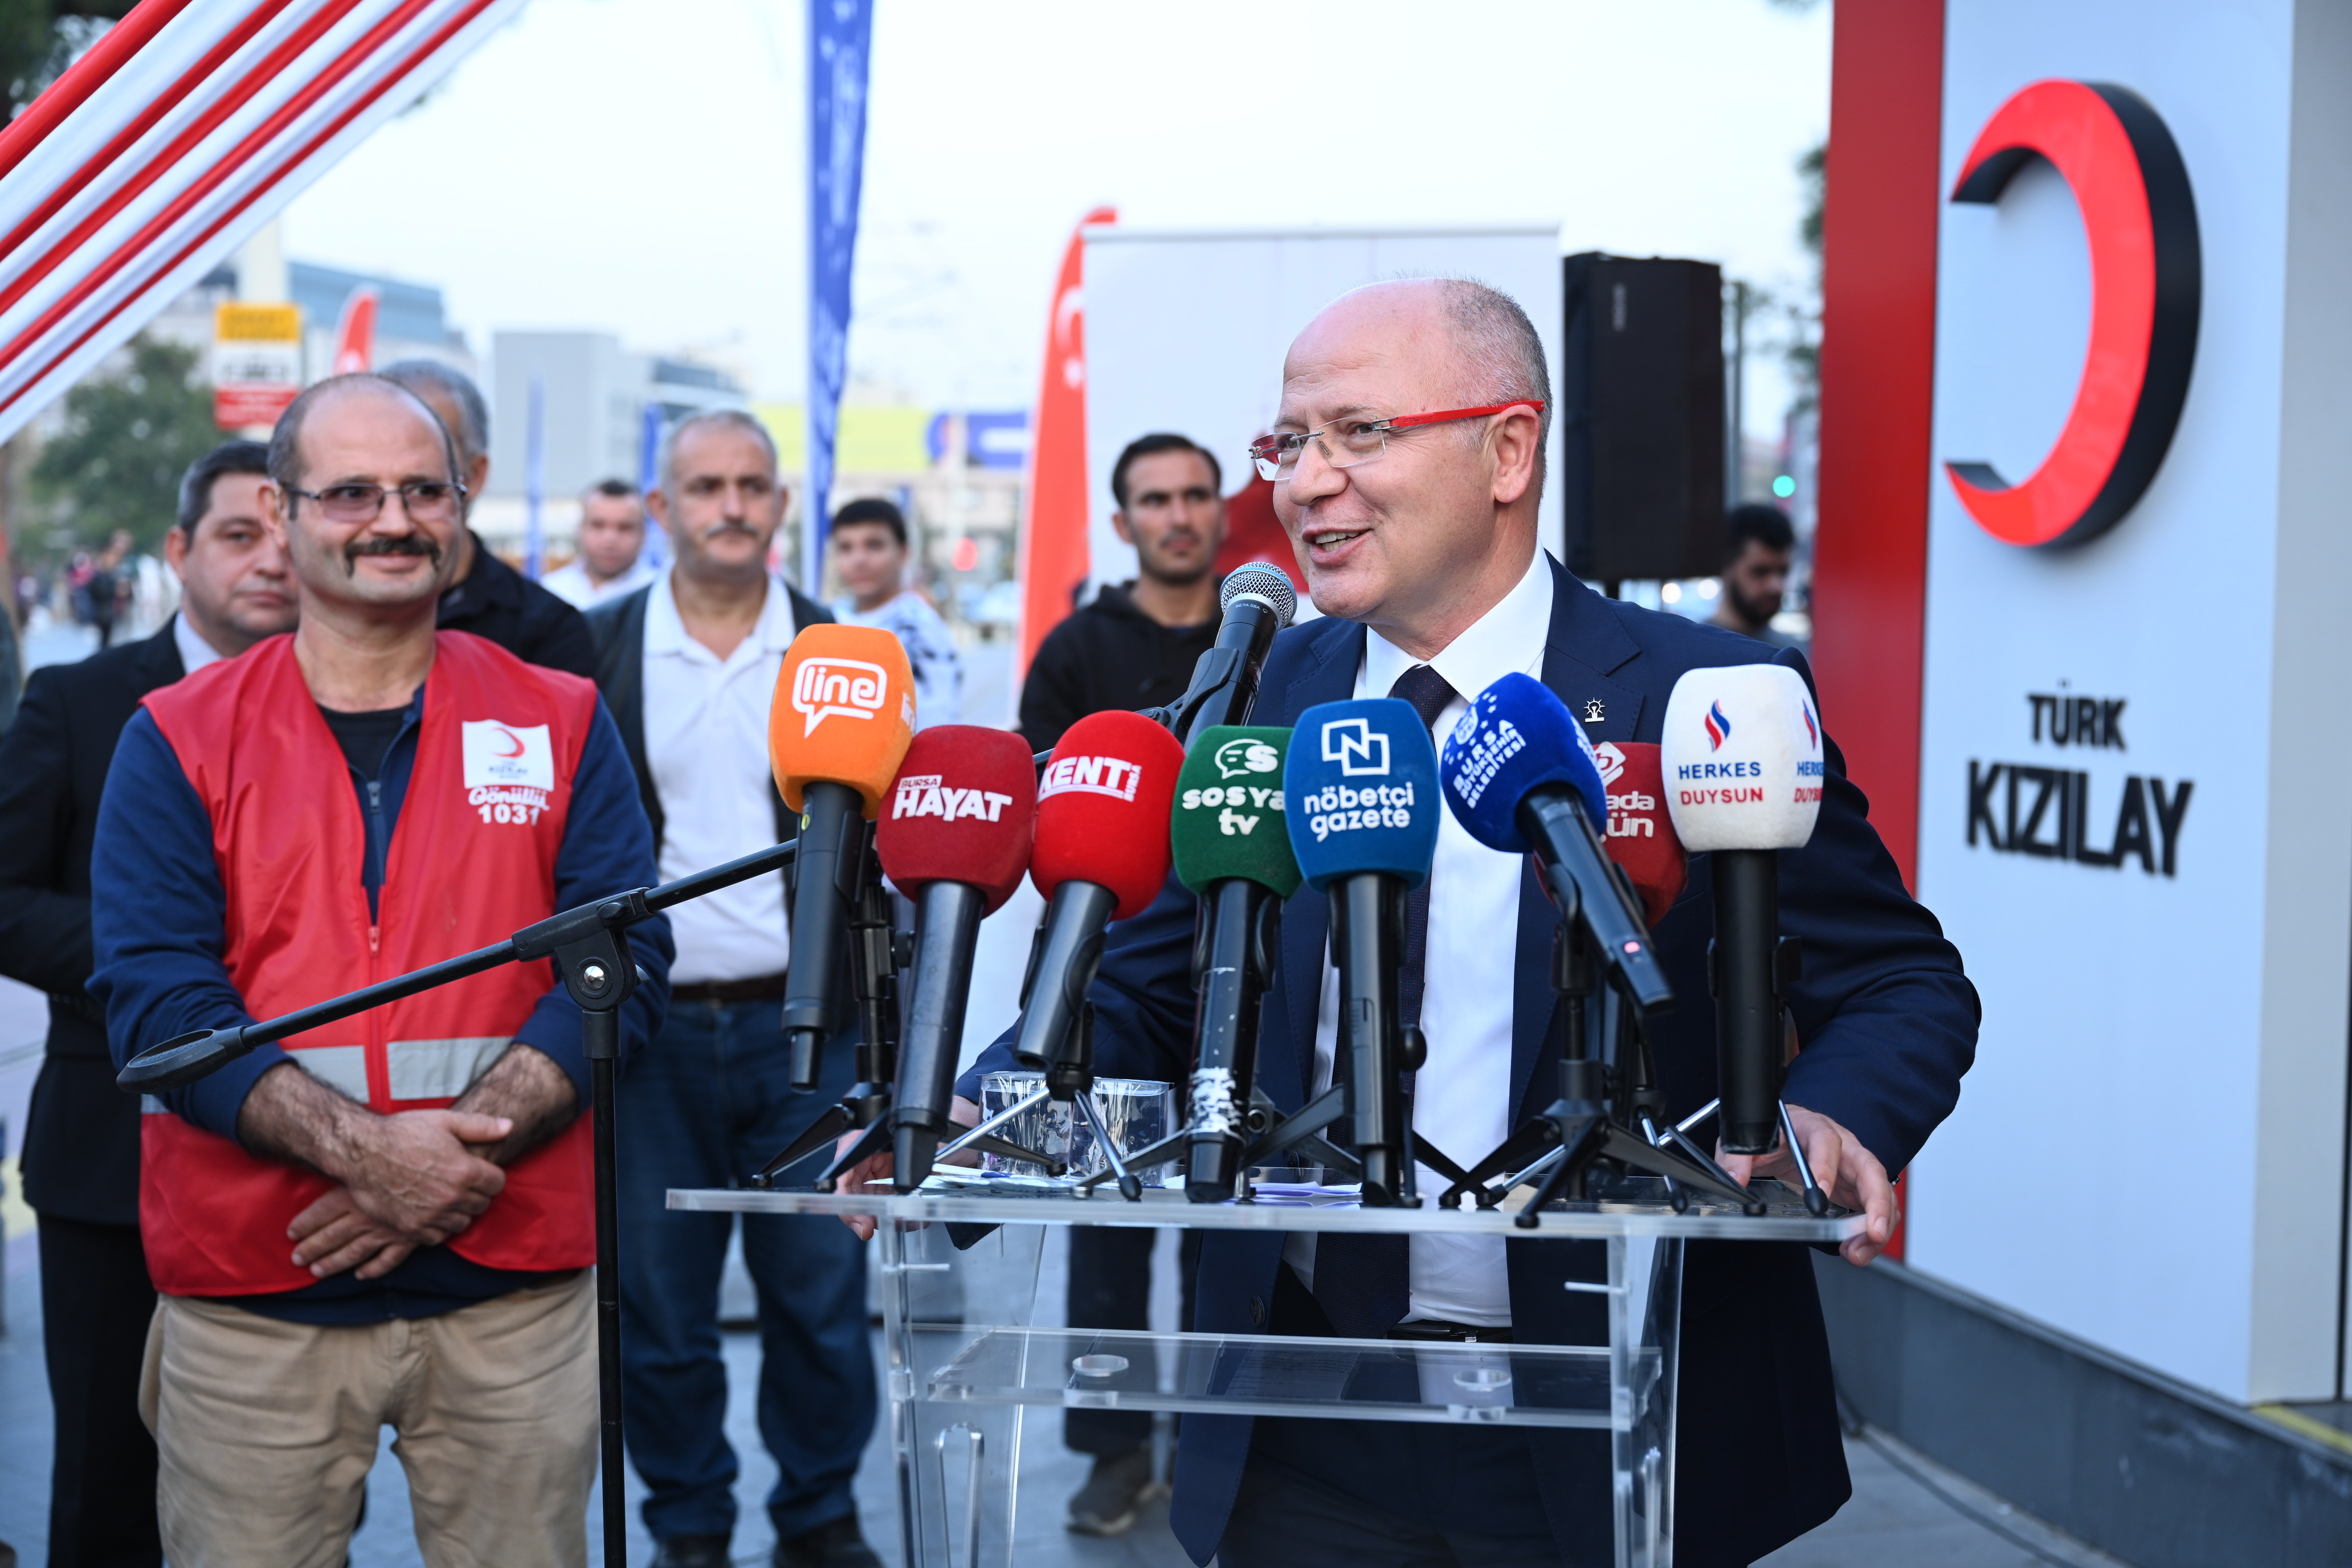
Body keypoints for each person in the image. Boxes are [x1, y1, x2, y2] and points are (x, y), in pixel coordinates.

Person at [845, 278, 1978, 1566]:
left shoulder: (1704, 693)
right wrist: (962, 1123)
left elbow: (1899, 982)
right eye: (1287, 442)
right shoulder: (1253, 702)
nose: (1303, 482)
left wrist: (1829, 1111)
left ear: (1507, 451)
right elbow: (1144, 991)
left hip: (1623, 1410)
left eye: (1358, 433)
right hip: (1303, 1418)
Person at [86, 375, 672, 1566]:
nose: (393, 520)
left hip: (512, 1288)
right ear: (282, 510)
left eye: (422, 490)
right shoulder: (178, 733)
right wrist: (374, 1158)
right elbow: (158, 999)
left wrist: (442, 1162)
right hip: (257, 1288)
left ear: (462, 505)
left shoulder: (560, 715)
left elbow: (622, 960)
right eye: (352, 492)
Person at [583, 409, 880, 1568]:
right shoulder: (596, 648)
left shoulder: (840, 652)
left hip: (807, 1030)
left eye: (752, 484)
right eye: (706, 485)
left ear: (781, 503)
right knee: (660, 1302)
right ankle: (690, 1525)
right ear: (663, 507)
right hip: (648, 1029)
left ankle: (820, 1514)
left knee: (820, 1294)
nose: (732, 505)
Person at [0, 440, 295, 1568]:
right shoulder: (78, 699)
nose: (269, 560)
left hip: (311, 1155)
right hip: (108, 1158)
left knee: (285, 1492)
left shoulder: (361, 705)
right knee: (108, 1483)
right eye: (238, 534)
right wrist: (159, 965)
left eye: (286, 532)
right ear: (178, 549)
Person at [377, 358, 598, 677]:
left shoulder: (546, 630)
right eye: (359, 487)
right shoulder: (312, 610)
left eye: (425, 485)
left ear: (475, 475)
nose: (395, 519)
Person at [1017, 432, 1231, 750]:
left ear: (1224, 515)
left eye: (1196, 496)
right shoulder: (1071, 650)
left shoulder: (1271, 640)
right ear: (1122, 525)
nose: (1180, 519)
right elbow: (1041, 769)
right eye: (1155, 500)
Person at [827, 496, 961, 728]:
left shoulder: (921, 632)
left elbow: (934, 727)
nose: (859, 560)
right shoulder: (824, 621)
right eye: (846, 548)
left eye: (874, 545)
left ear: (903, 553)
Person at [542, 478, 658, 609]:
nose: (610, 539)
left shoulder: (659, 596)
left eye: (624, 528)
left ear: (643, 534)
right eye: (598, 525)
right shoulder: (550, 592)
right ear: (580, 528)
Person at [1709, 501, 1803, 650]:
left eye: (1783, 572)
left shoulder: (1794, 654)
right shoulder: (1691, 648)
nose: (1775, 586)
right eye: (1760, 572)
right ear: (1726, 567)